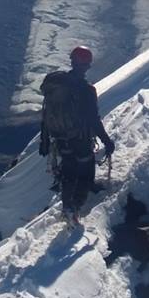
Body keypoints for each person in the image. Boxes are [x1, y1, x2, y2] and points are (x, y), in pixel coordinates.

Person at [38, 45, 114, 225]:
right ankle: (74, 209)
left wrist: (44, 140)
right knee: (86, 173)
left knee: (68, 172)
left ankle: (67, 208)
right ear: (87, 65)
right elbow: (93, 120)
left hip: (60, 138)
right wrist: (107, 141)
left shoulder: (57, 86)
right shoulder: (86, 90)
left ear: (72, 61)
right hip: (80, 139)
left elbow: (46, 112)